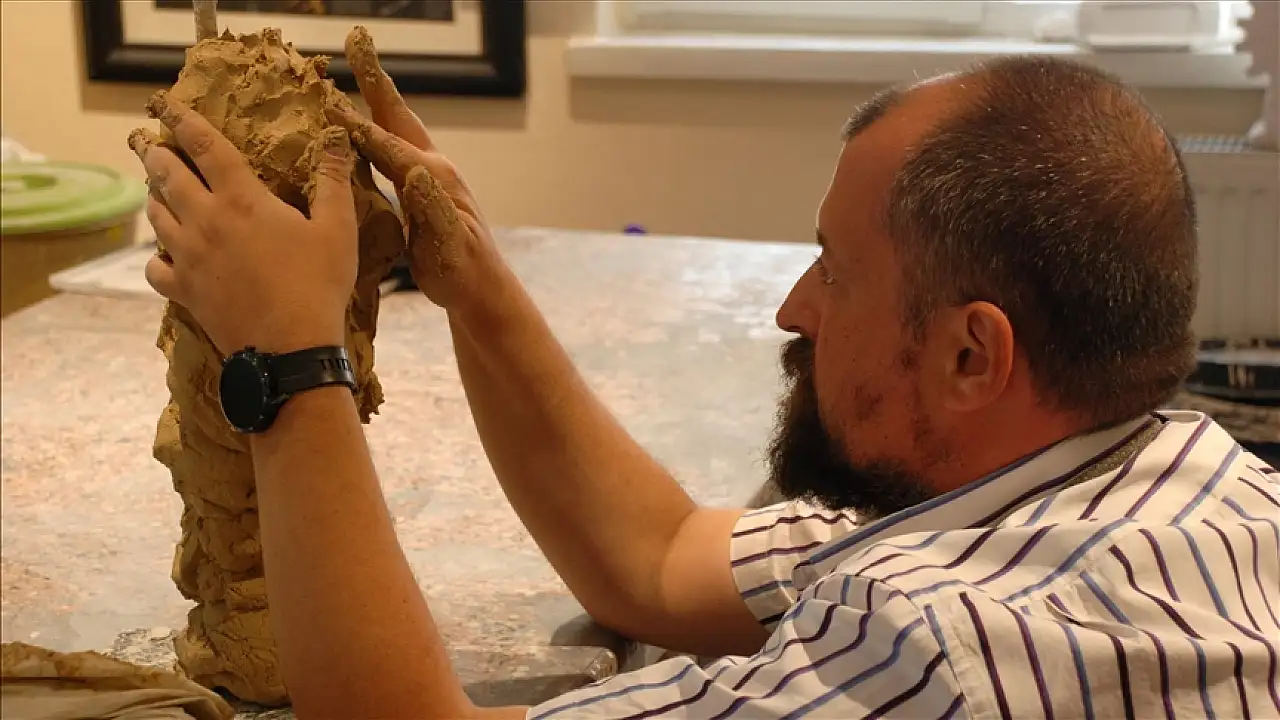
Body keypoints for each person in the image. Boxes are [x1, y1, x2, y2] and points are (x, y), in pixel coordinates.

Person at [129, 31, 1279, 719]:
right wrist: (469, 274)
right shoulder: (1180, 480)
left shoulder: (952, 655)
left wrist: (285, 361)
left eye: (833, 272)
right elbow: (657, 559)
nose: (792, 308)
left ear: (970, 355)